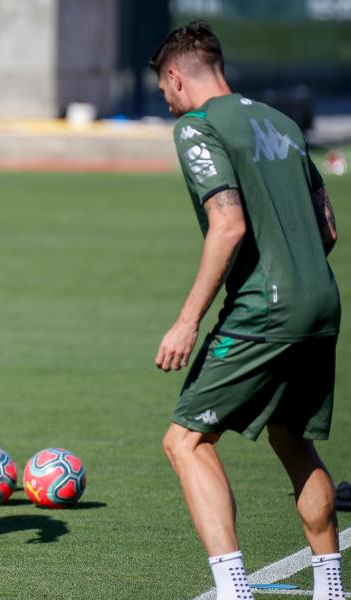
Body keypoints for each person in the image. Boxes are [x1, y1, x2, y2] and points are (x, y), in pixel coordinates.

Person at [151, 21, 344, 600]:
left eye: (164, 89)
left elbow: (228, 224)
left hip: (268, 308)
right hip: (322, 300)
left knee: (186, 441)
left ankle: (232, 589)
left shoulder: (198, 126)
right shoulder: (283, 122)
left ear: (176, 77)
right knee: (293, 438)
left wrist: (187, 321)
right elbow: (327, 228)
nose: (165, 101)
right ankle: (331, 588)